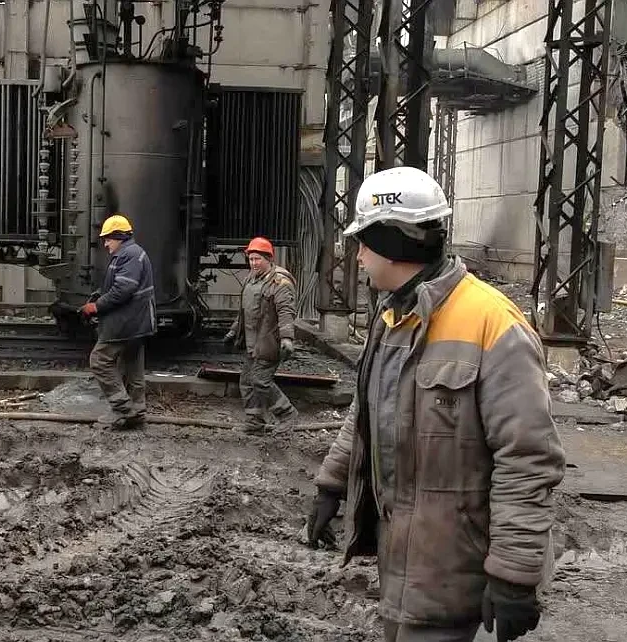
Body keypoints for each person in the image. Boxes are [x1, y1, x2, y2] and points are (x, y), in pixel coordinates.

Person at [303, 166, 565, 642]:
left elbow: (528, 458)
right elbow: (365, 411)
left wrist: (515, 572)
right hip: (401, 564)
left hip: (453, 570)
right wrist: (332, 484)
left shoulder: (492, 324)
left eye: (364, 242)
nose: (358, 255)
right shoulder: (393, 316)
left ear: (394, 242)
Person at [80, 214, 156, 430]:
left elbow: (123, 289)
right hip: (137, 322)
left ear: (120, 236)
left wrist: (96, 306)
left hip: (127, 322)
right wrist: (99, 295)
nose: (105, 244)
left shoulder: (129, 255)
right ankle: (137, 413)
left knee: (99, 360)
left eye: (108, 239)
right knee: (132, 367)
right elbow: (120, 285)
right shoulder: (132, 253)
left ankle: (122, 409)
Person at [224, 236, 299, 434]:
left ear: (269, 259)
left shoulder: (280, 282)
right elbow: (244, 311)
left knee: (260, 380)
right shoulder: (250, 279)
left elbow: (286, 312)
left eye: (257, 259)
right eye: (251, 259)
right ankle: (254, 422)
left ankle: (287, 414)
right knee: (247, 381)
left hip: (269, 341)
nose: (254, 263)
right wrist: (234, 330)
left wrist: (287, 338)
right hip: (252, 342)